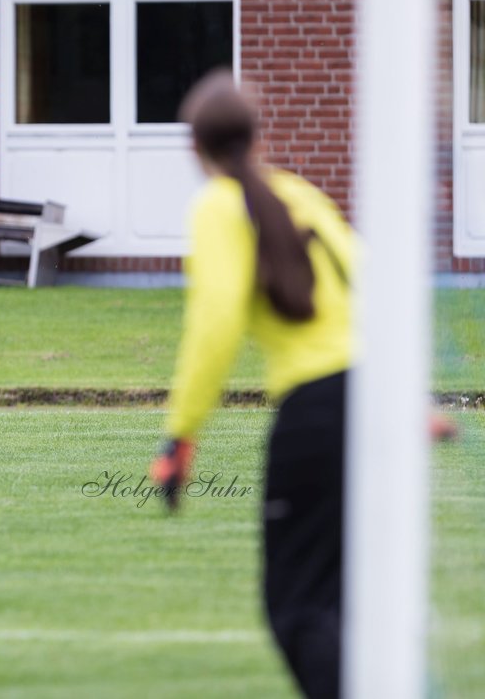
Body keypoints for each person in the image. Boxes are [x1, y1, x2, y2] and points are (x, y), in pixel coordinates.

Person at [149, 70, 354, 698]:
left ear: (194, 148)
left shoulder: (217, 206)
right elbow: (368, 289)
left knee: (299, 610)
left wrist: (180, 437)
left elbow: (214, 327)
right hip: (365, 402)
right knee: (345, 602)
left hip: (318, 415)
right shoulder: (301, 195)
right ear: (258, 136)